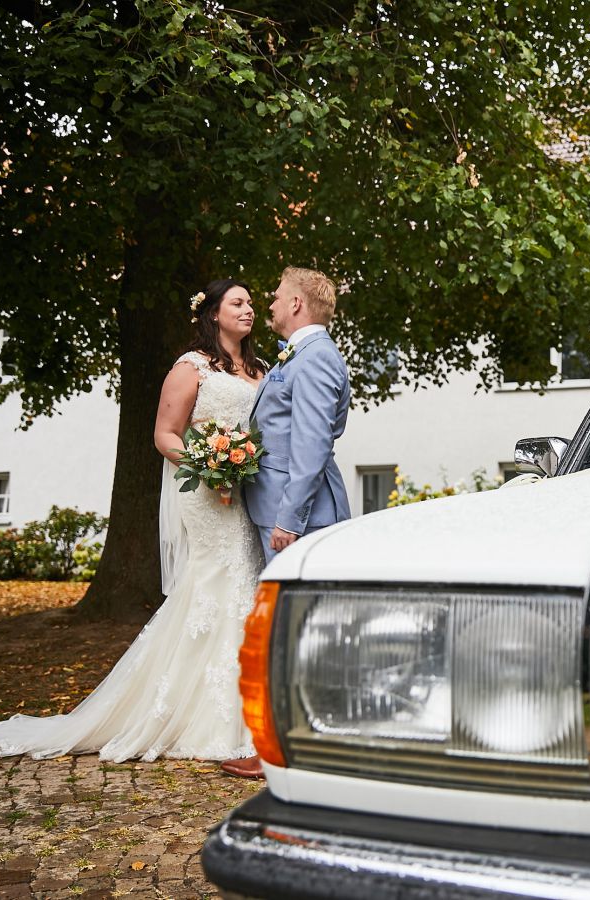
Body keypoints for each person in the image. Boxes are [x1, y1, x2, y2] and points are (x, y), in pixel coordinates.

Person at [0, 279, 267, 763]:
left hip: (249, 494)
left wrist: (243, 466)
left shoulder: (259, 370)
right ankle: (209, 716)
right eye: (238, 302)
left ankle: (247, 708)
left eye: (251, 303)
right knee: (216, 584)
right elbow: (165, 434)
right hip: (207, 494)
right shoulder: (190, 367)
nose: (249, 309)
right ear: (213, 313)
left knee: (245, 584)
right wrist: (209, 467)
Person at [224, 266, 352, 779]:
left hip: (299, 516)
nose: (270, 304)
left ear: (298, 304)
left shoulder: (315, 357)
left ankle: (285, 749)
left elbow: (312, 446)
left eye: (277, 297)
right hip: (286, 511)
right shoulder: (301, 355)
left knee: (297, 630)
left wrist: (290, 520)